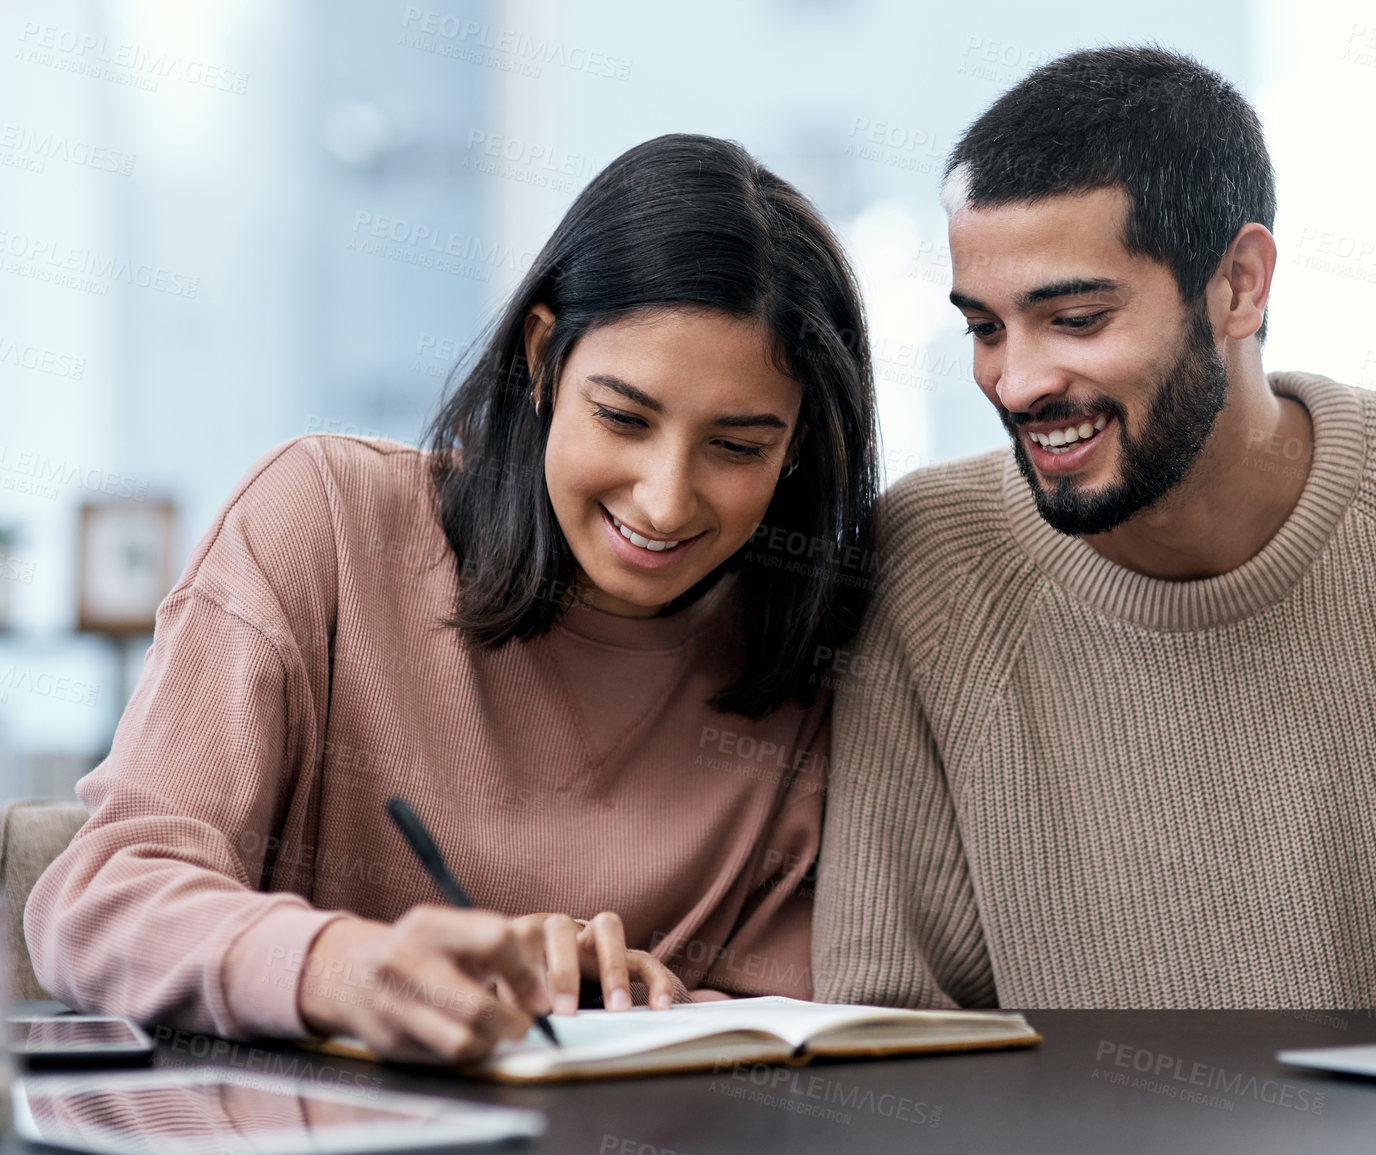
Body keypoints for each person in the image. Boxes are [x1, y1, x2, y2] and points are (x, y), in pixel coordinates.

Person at [812, 47, 1376, 1013]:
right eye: (984, 329)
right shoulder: (928, 561)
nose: (1017, 381)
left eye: (1075, 318)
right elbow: (886, 1015)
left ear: (1240, 285)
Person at [27, 133, 878, 1063]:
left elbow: (787, 1017)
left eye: (739, 446)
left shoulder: (820, 652)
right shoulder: (324, 525)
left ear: (798, 443)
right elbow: (104, 898)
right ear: (546, 356)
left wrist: (643, 1003)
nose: (665, 499)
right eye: (623, 418)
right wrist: (345, 968)